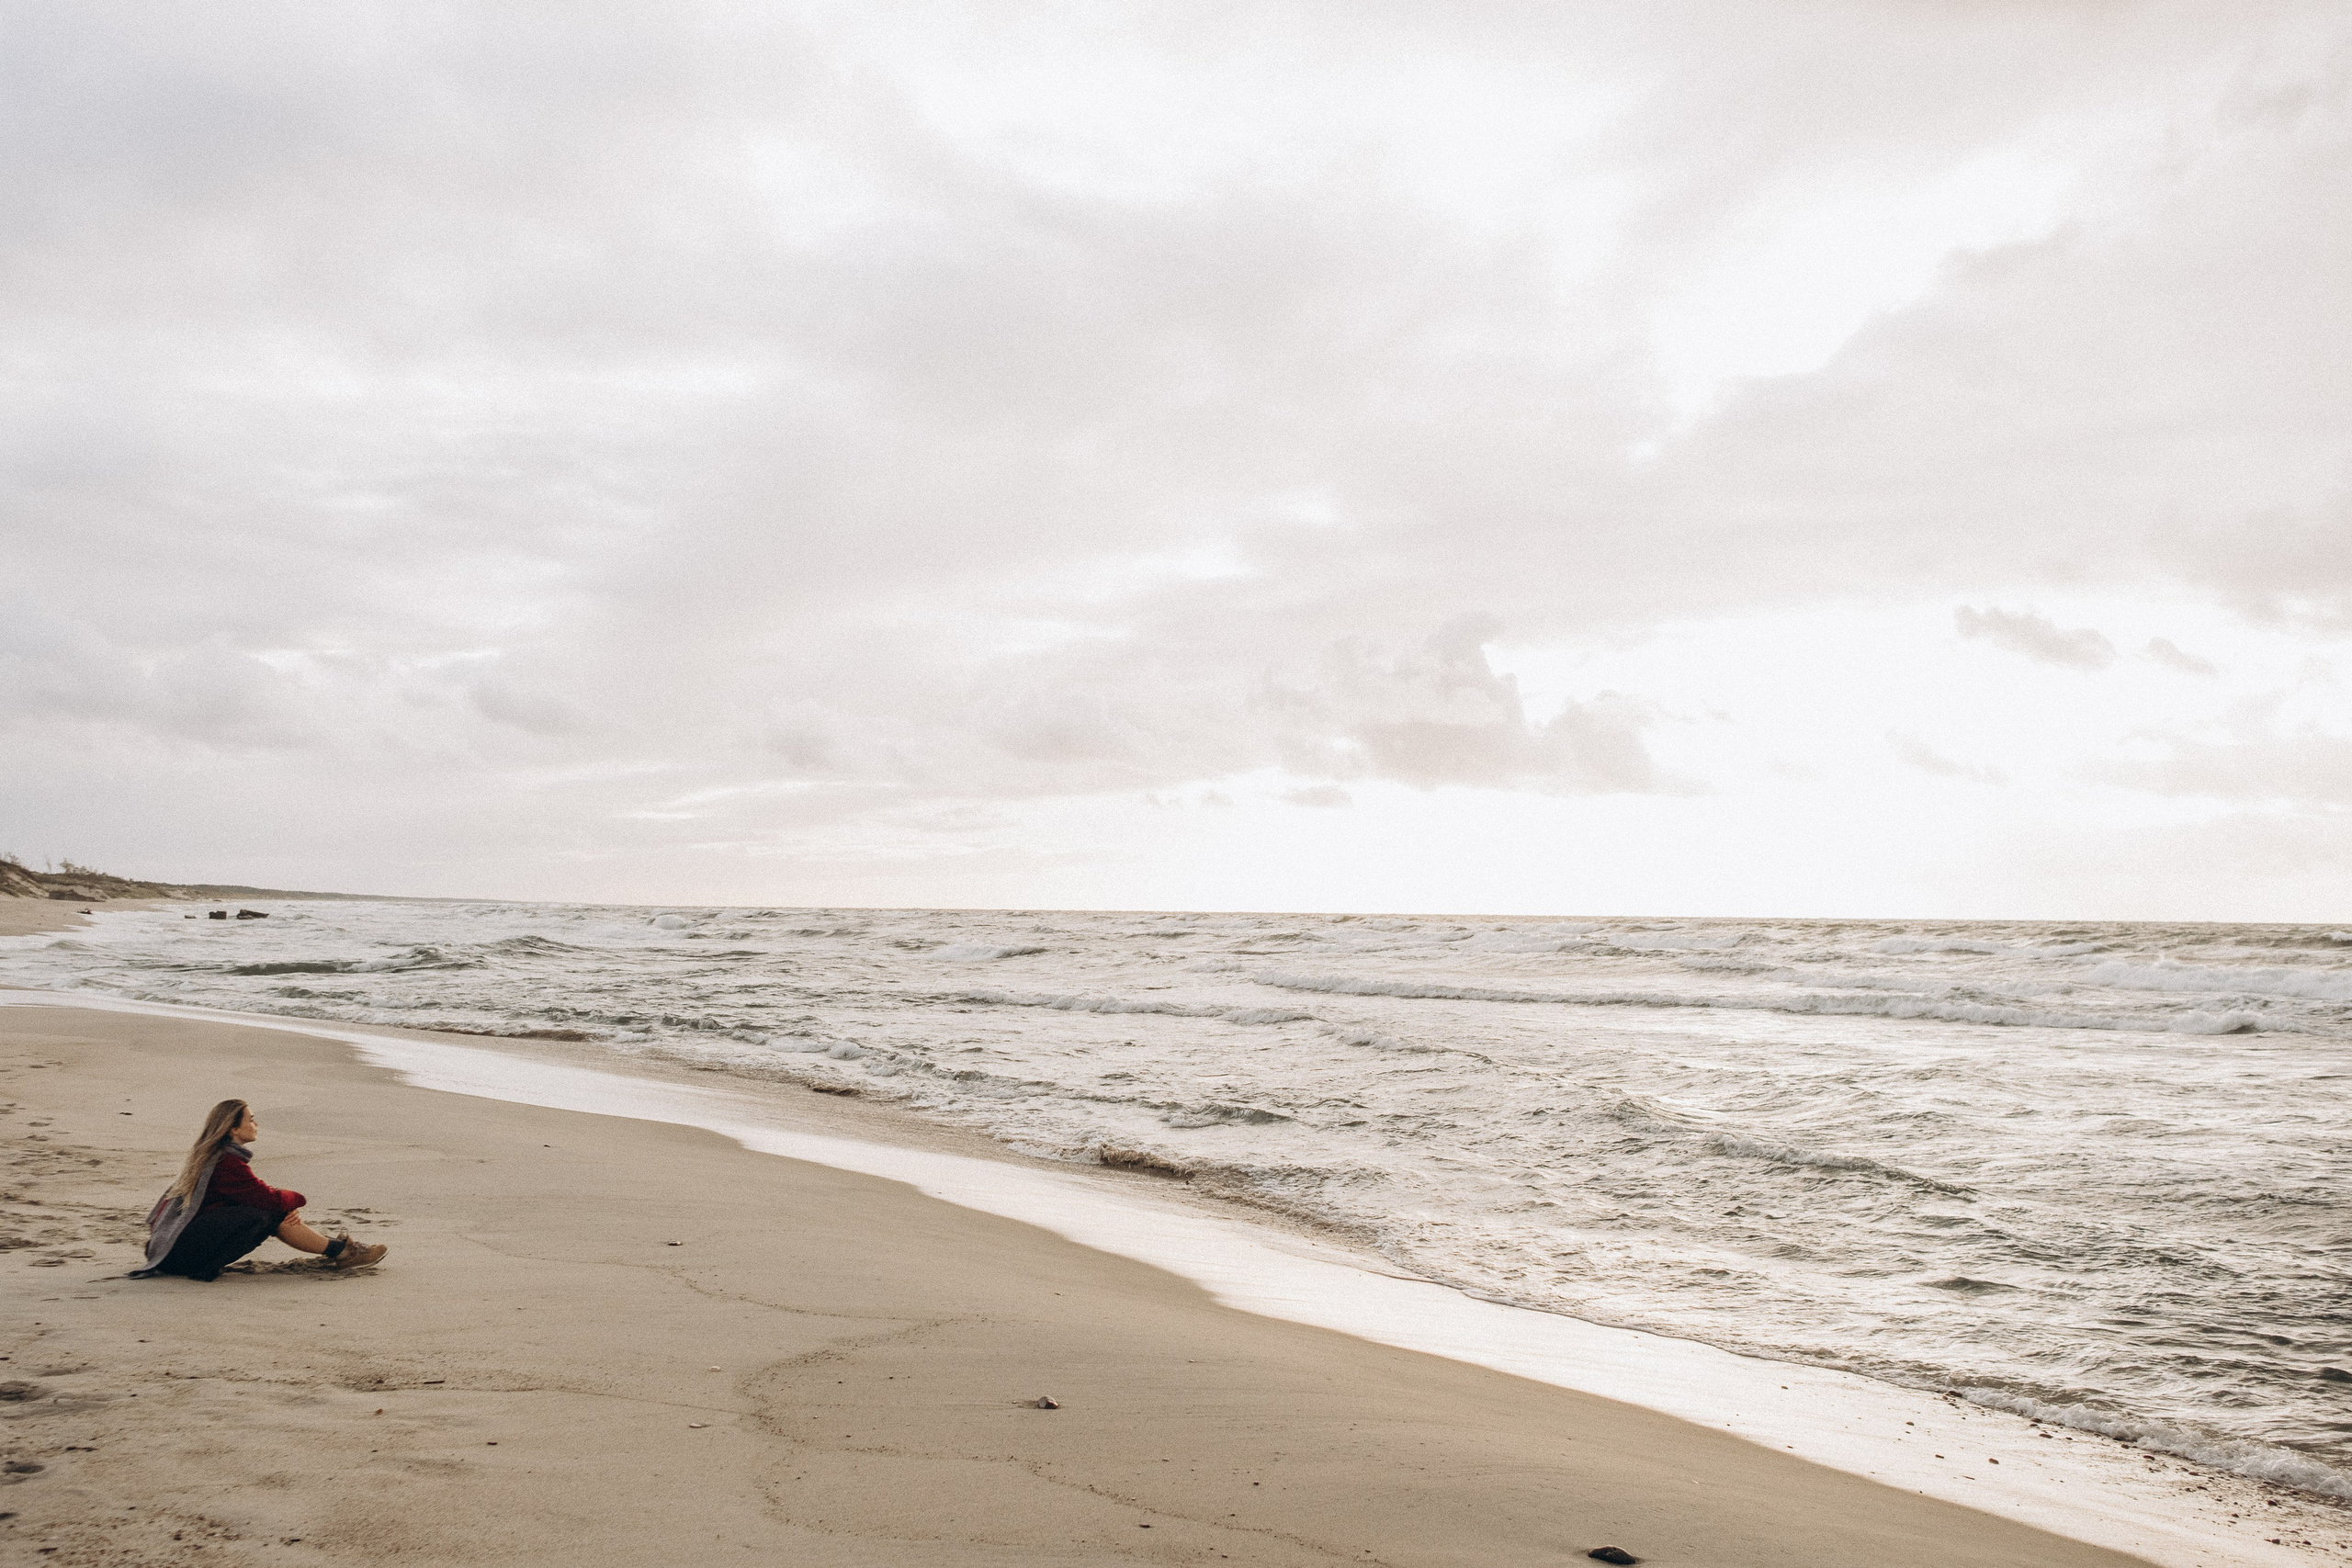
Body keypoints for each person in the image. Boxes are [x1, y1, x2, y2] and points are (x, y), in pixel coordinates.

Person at [134, 1099, 388, 1281]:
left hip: (174, 1251)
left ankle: (341, 1250)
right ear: (233, 1129)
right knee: (269, 1213)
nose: (256, 1123)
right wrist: (294, 1200)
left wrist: (281, 1202)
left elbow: (254, 1193)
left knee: (268, 1209)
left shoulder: (217, 1157)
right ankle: (343, 1252)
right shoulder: (226, 1162)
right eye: (251, 1119)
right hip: (178, 1257)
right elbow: (267, 1199)